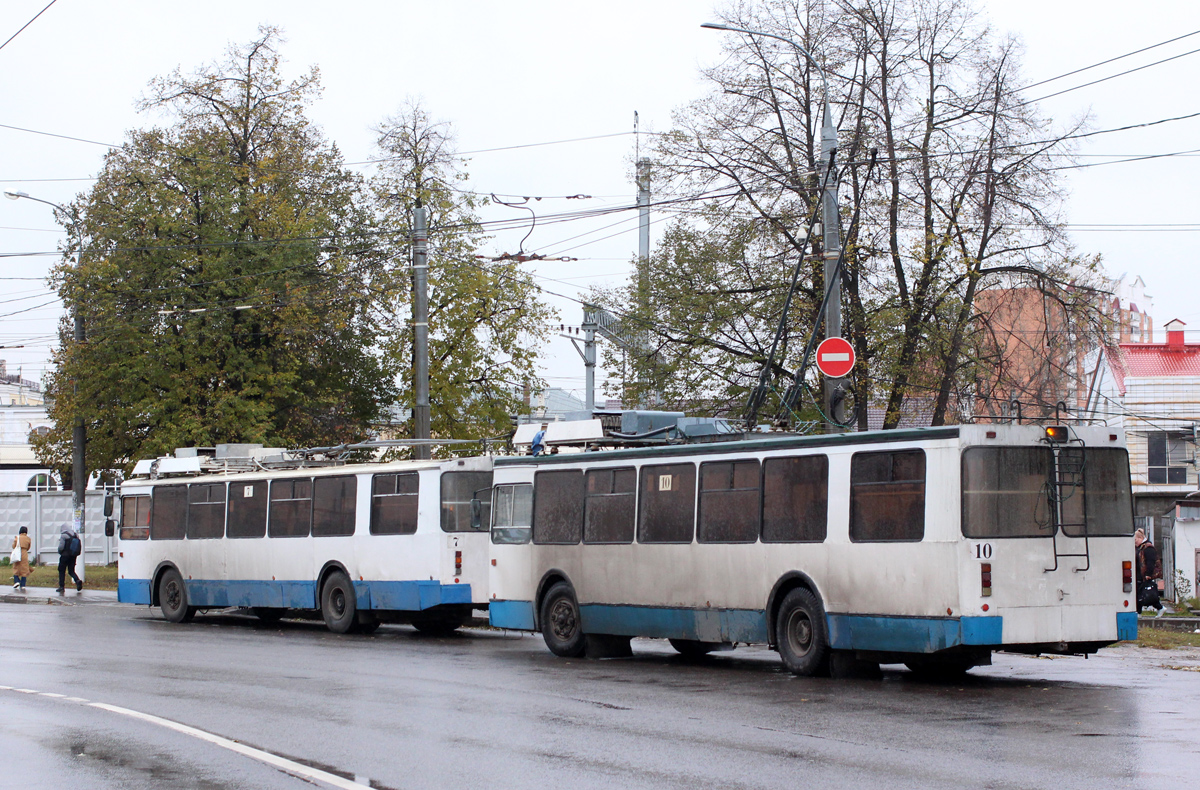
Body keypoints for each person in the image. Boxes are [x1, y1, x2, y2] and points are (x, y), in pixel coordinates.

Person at [1134, 528, 1163, 616]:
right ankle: (1140, 612)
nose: (1134, 542)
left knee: (1142, 593)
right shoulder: (1140, 548)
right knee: (1140, 593)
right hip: (1139, 575)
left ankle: (1159, 607)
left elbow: (1151, 562)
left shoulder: (1148, 548)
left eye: (1135, 540)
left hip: (1144, 575)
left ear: (1140, 538)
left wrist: (1148, 574)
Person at [56, 523, 82, 594]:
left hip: (65, 556)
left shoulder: (64, 535)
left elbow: (61, 547)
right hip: (73, 555)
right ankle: (77, 580)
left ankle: (61, 587)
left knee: (61, 570)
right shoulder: (75, 535)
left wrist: (59, 551)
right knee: (71, 570)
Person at [10, 526, 31, 591]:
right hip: (24, 554)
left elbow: (13, 546)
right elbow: (28, 547)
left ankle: (16, 581)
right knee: (24, 569)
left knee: (16, 568)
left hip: (17, 553)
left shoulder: (17, 537)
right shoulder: (28, 539)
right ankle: (23, 585)